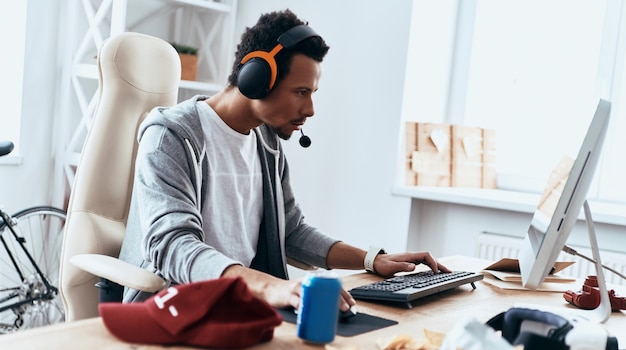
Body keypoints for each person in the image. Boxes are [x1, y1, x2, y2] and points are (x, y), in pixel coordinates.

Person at [118, 9, 449, 312]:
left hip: (241, 308)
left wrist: (372, 259)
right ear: (257, 77)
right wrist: (271, 287)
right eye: (301, 92)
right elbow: (174, 245)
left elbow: (292, 231)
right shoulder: (172, 137)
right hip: (175, 308)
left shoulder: (266, 142)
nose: (310, 110)